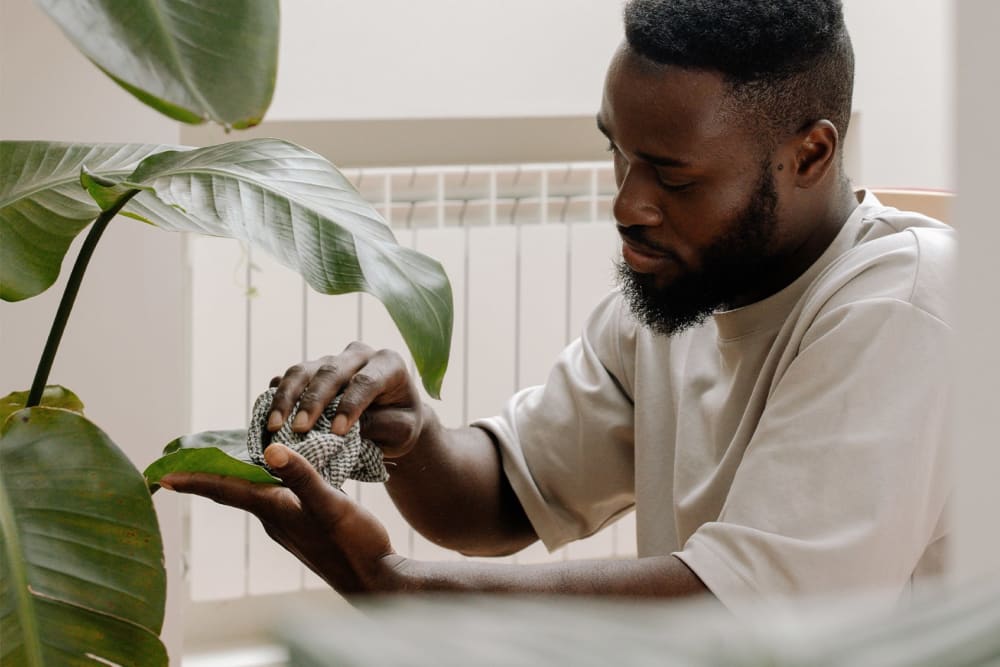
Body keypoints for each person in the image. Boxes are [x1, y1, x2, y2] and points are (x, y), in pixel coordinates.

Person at [161, 0, 955, 611]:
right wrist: (408, 431)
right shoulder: (675, 297)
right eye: (616, 150)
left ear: (809, 153)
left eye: (672, 177)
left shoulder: (908, 306)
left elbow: (743, 617)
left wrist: (397, 589)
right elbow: (507, 492)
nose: (626, 203)